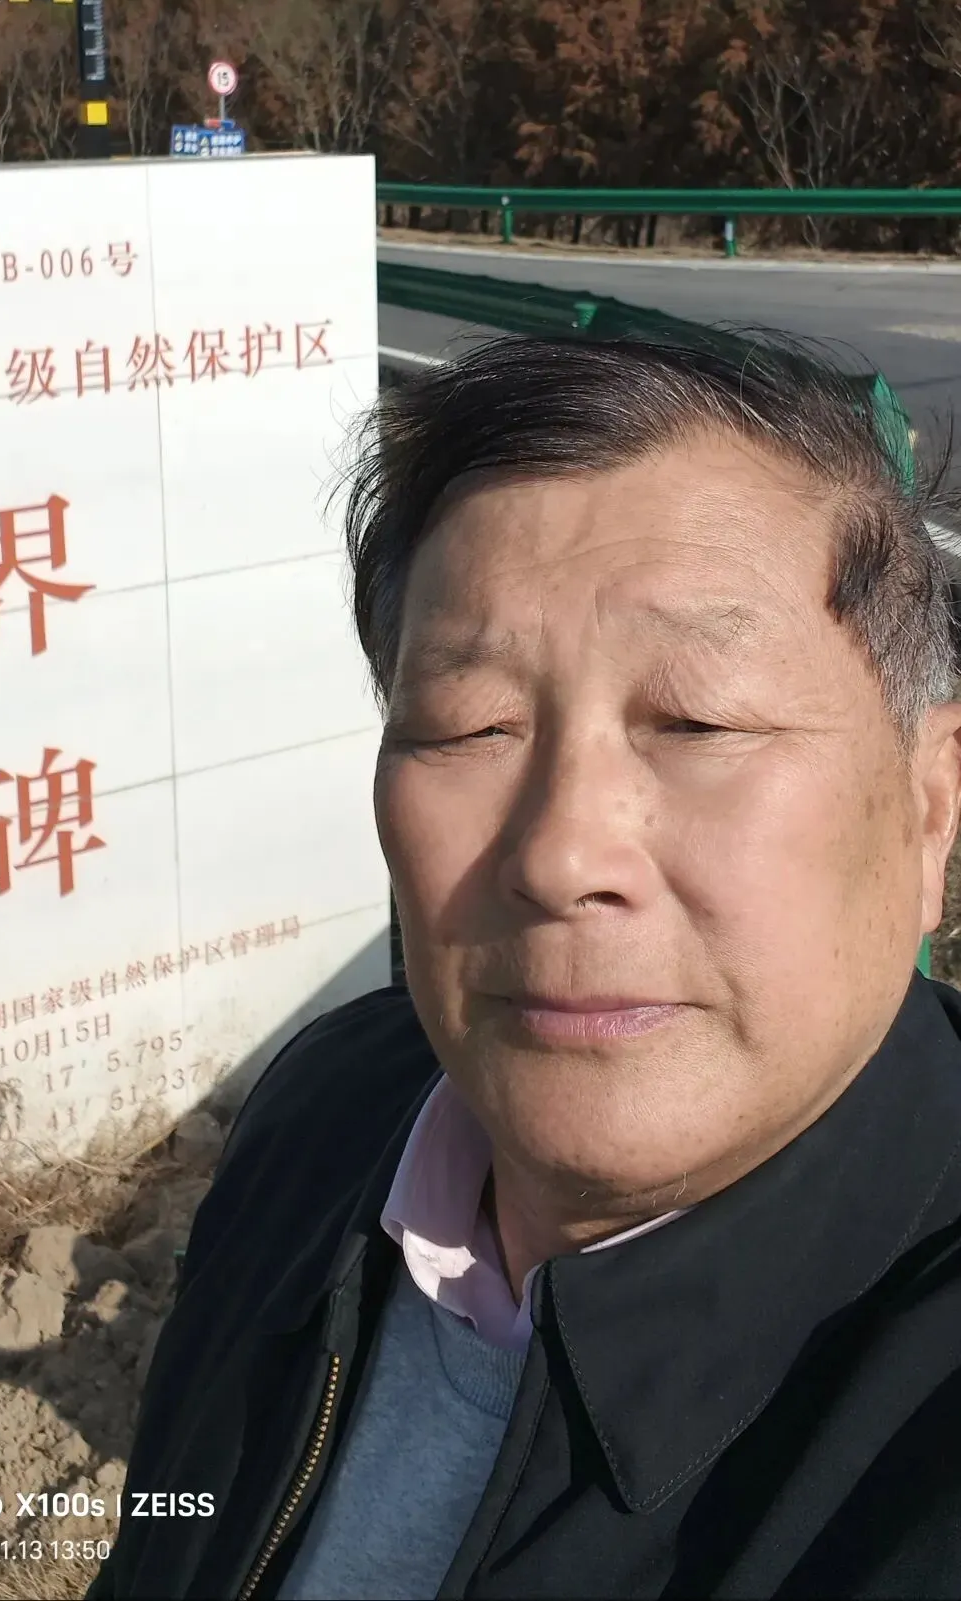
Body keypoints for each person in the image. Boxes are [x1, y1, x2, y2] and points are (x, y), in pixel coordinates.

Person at [88, 331, 961, 1601]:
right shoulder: (325, 1119)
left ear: (931, 803)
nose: (560, 854)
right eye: (469, 725)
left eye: (698, 719)